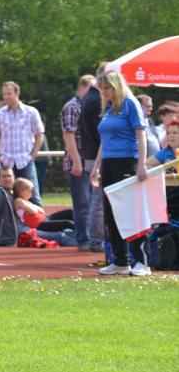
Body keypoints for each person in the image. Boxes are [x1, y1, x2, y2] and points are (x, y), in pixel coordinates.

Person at [90, 70, 149, 276]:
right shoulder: (108, 107)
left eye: (107, 88)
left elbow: (141, 135)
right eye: (102, 89)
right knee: (112, 213)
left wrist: (141, 164)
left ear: (117, 86)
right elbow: (104, 141)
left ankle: (141, 261)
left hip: (127, 162)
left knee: (131, 212)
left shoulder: (130, 104)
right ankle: (121, 261)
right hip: (109, 163)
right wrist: (97, 166)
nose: (104, 92)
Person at [0, 81, 44, 205]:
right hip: (7, 162)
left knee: (34, 196)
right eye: (4, 94)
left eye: (9, 94)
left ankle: (38, 218)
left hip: (25, 161)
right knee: (6, 198)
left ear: (17, 93)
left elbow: (39, 134)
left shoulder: (31, 112)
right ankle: (9, 218)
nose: (6, 97)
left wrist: (32, 156)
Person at [60, 74, 96, 251]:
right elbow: (68, 135)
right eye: (92, 89)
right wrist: (76, 161)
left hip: (90, 160)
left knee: (93, 203)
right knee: (83, 203)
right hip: (79, 161)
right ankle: (83, 239)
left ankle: (92, 237)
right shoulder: (72, 107)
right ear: (82, 87)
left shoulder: (89, 106)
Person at [80, 64, 107, 253]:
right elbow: (102, 133)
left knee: (97, 199)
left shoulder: (88, 98)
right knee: (99, 200)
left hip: (92, 155)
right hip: (97, 156)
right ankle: (97, 240)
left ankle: (97, 239)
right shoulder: (97, 100)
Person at [12, 178, 76, 246]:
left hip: (44, 218)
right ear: (21, 191)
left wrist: (34, 208)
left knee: (69, 212)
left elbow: (42, 211)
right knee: (67, 223)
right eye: (29, 191)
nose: (31, 194)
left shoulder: (26, 201)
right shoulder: (18, 201)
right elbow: (33, 211)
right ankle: (81, 236)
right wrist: (35, 208)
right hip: (39, 224)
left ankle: (81, 230)